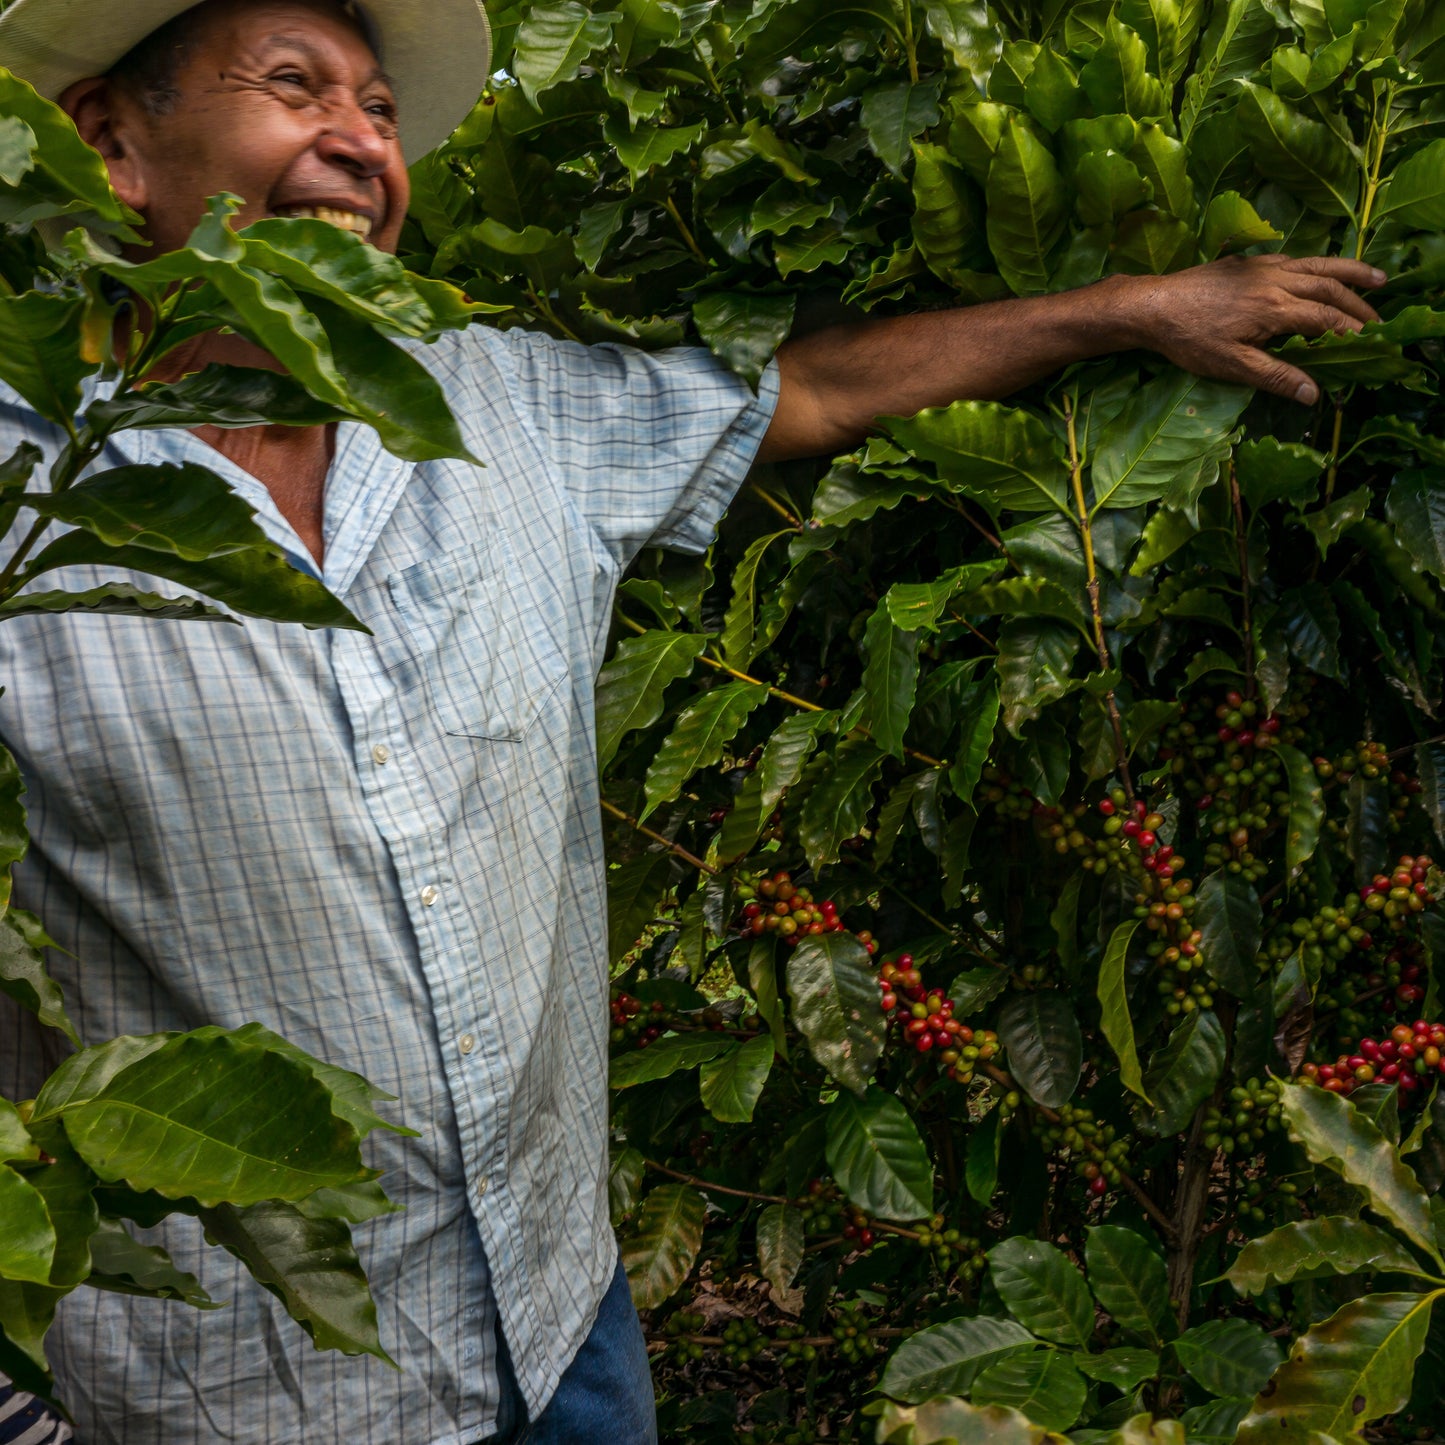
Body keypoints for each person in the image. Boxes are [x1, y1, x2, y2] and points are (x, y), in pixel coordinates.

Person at [0, 1, 1385, 1441]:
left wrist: (1128, 308)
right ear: (112, 142)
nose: (360, 143)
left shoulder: (497, 407)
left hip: (557, 1322)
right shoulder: (22, 505)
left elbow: (809, 390)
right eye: (294, 89)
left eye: (382, 110)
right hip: (233, 1396)